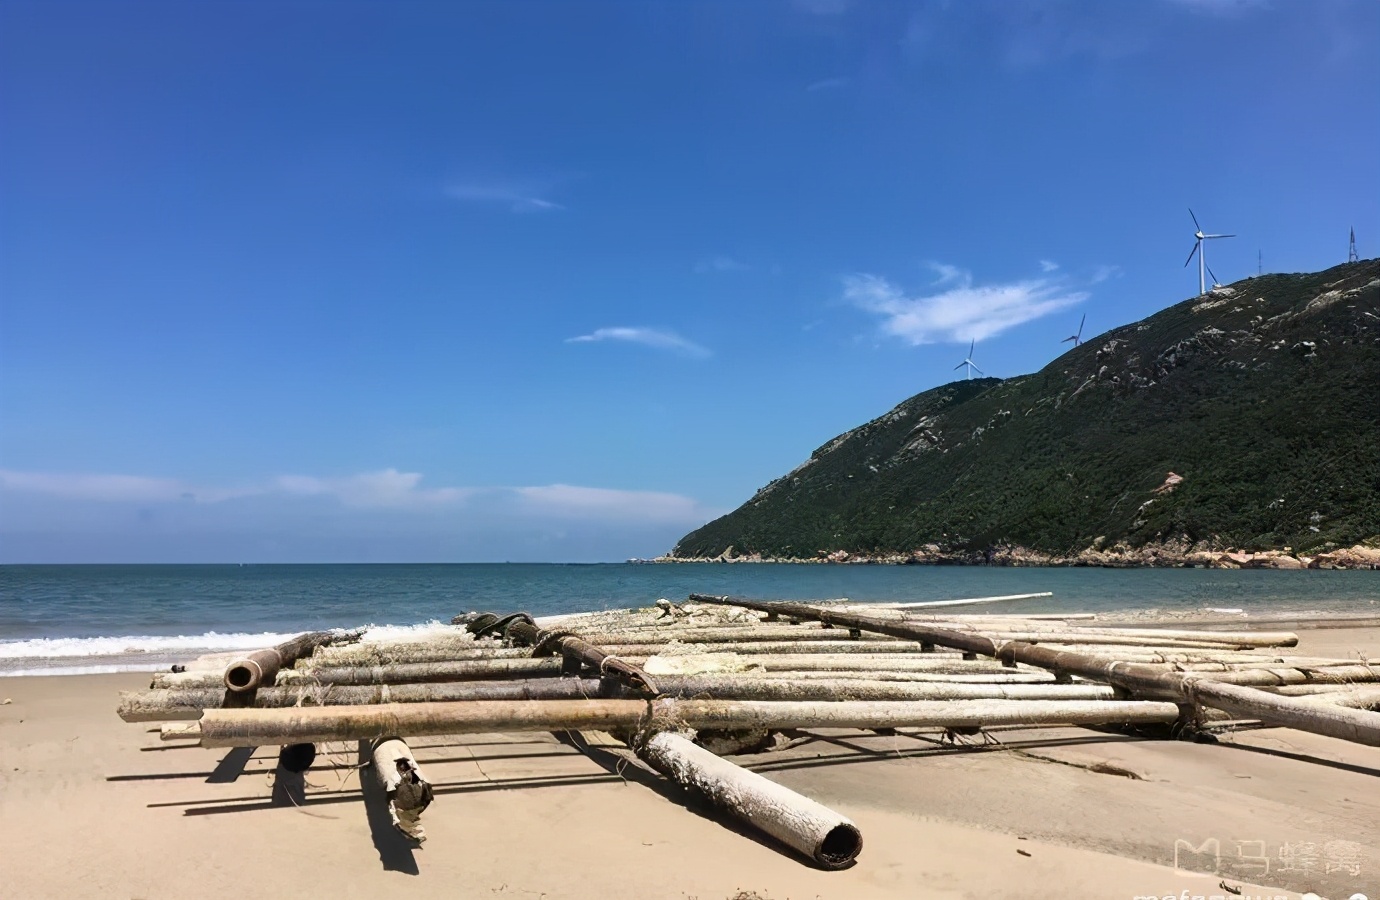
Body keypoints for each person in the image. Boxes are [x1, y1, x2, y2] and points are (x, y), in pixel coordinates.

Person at [384, 754, 433, 842]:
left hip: (408, 807)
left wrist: (391, 804)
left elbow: (391, 796)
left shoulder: (397, 779)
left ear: (399, 769)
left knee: (405, 820)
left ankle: (418, 835)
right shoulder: (416, 775)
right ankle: (415, 829)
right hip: (421, 803)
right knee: (411, 816)